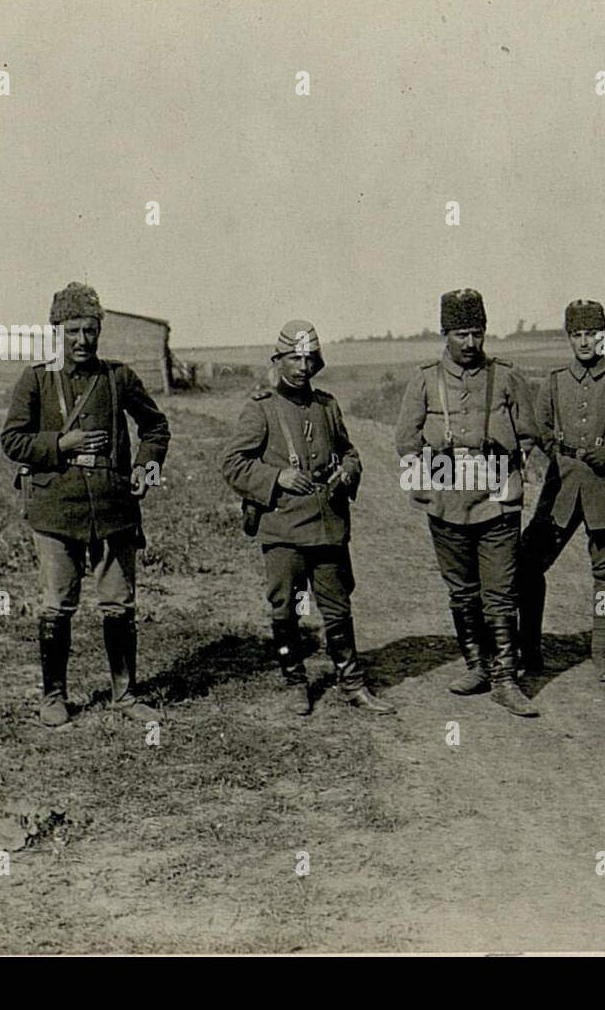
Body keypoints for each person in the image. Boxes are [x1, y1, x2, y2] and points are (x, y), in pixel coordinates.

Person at [1, 282, 171, 727]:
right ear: (57, 330)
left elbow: (155, 428)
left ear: (100, 331)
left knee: (118, 603)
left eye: (90, 330)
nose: (82, 340)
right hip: (55, 510)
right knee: (58, 605)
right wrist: (60, 442)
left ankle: (126, 694)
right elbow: (13, 440)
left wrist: (147, 468)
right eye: (73, 330)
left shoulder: (119, 378)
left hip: (114, 508)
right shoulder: (36, 379)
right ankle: (53, 697)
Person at [221, 320, 394, 717]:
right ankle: (295, 681)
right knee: (286, 609)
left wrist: (348, 471)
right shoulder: (261, 408)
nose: (302, 366)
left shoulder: (327, 406)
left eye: (308, 358)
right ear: (278, 360)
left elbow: (349, 452)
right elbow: (232, 463)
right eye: (293, 358)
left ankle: (352, 683)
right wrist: (276, 476)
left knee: (337, 607)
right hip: (283, 528)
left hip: (328, 526)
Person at [395, 288, 542, 717]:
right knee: (462, 590)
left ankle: (505, 679)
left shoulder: (506, 376)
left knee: (500, 591)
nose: (471, 343)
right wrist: (431, 474)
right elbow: (405, 440)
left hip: (496, 496)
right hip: (447, 497)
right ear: (445, 333)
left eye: (477, 333)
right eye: (462, 334)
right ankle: (477, 666)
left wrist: (510, 462)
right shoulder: (424, 379)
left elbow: (530, 433)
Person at [518, 300, 605, 682]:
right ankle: (528, 647)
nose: (583, 342)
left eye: (591, 335)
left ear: (603, 337)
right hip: (561, 488)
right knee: (529, 565)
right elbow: (540, 431)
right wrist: (563, 458)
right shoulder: (554, 381)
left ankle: (600, 652)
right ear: (568, 338)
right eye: (576, 334)